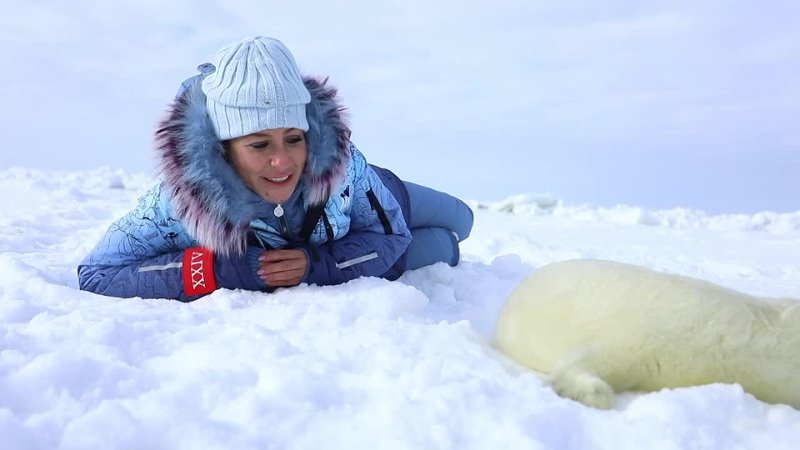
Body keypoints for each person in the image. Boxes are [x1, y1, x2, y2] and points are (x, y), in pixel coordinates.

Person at [78, 36, 474, 301]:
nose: (282, 162)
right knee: (447, 246)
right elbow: (97, 273)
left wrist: (316, 265)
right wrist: (221, 270)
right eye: (258, 144)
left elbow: (391, 231)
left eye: (293, 138)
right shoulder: (180, 203)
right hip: (372, 251)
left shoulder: (338, 158)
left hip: (383, 198)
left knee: (465, 219)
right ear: (223, 149)